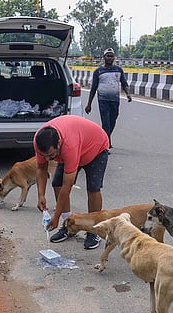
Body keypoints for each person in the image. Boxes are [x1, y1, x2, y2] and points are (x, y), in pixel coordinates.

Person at [34, 115, 110, 249]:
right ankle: (68, 225)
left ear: (58, 144)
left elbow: (67, 186)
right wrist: (41, 195)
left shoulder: (69, 145)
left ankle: (94, 230)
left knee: (93, 188)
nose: (47, 159)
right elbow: (41, 168)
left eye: (51, 155)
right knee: (56, 183)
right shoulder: (38, 141)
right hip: (75, 147)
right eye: (44, 155)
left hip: (96, 148)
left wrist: (55, 216)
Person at [85, 48, 132, 151]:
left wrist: (128, 94)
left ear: (114, 58)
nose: (109, 58)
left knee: (113, 121)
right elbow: (93, 88)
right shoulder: (98, 71)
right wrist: (89, 104)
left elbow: (124, 84)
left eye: (111, 56)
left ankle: (103, 139)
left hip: (115, 100)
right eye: (108, 56)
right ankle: (105, 146)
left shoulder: (118, 70)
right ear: (104, 57)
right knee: (105, 123)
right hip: (103, 100)